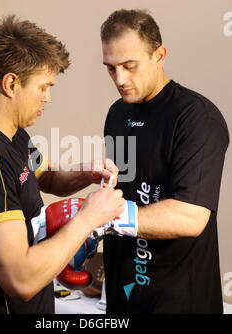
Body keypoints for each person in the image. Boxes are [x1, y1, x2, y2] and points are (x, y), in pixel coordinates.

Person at [0, 15, 124, 314]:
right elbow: (20, 280)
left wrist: (85, 171)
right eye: (43, 86)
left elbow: (46, 178)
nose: (48, 97)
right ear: (11, 84)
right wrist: (90, 217)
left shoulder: (13, 134)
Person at [98, 9, 230, 313]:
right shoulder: (118, 114)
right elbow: (119, 191)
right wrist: (87, 237)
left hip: (179, 300)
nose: (120, 79)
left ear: (159, 56)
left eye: (129, 66)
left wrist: (100, 220)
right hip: (124, 297)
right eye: (111, 68)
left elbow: (190, 215)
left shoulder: (197, 118)